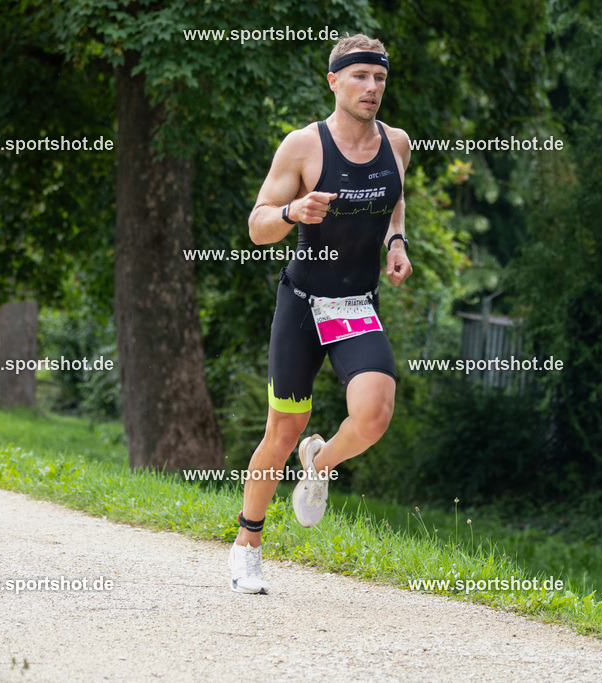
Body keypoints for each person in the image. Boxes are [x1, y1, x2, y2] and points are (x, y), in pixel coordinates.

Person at [228, 33, 412, 594]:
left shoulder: (397, 142)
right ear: (333, 81)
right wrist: (292, 209)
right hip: (305, 305)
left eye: (379, 78)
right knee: (283, 431)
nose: (371, 88)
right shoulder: (303, 147)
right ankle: (247, 544)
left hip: (355, 305)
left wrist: (397, 243)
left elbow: (395, 200)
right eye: (359, 76)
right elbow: (259, 227)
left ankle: (322, 465)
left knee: (375, 414)